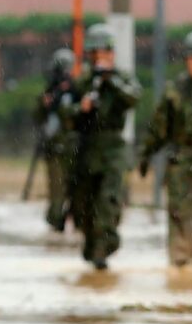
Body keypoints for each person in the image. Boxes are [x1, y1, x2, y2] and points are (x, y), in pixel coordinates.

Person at [136, 30, 192, 266]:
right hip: (182, 166)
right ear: (187, 60)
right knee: (182, 221)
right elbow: (158, 129)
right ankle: (181, 271)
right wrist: (145, 156)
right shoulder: (175, 91)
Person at [64, 24, 142, 270]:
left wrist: (111, 81)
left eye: (104, 53)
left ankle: (104, 247)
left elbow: (133, 98)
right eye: (95, 54)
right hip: (87, 149)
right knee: (84, 205)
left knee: (108, 201)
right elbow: (66, 113)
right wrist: (81, 107)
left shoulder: (122, 78)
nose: (100, 58)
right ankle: (92, 247)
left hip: (114, 148)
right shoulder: (83, 81)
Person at [35, 48, 79, 235]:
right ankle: (56, 221)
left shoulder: (76, 88)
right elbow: (39, 117)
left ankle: (76, 219)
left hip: (75, 147)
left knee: (77, 189)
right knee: (56, 191)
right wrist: (46, 104)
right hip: (55, 148)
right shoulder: (50, 89)